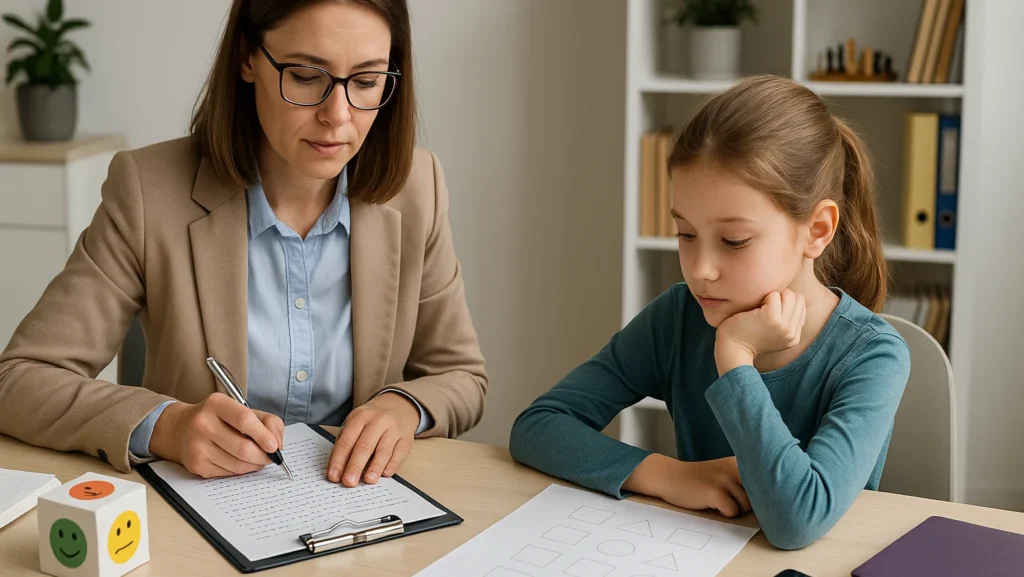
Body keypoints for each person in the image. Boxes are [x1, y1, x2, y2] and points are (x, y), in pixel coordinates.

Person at [0, 0, 487, 488]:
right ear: (248, 58)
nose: (337, 116)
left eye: (365, 82)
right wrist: (166, 426)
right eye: (305, 76)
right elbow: (19, 380)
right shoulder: (149, 191)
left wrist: (404, 407)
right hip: (201, 523)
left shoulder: (417, 187)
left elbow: (462, 377)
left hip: (359, 512)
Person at [508, 75, 911, 550]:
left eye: (734, 241)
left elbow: (796, 521)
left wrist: (736, 358)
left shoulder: (872, 356)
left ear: (816, 230)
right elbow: (539, 425)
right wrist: (665, 475)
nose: (701, 270)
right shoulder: (678, 317)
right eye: (685, 234)